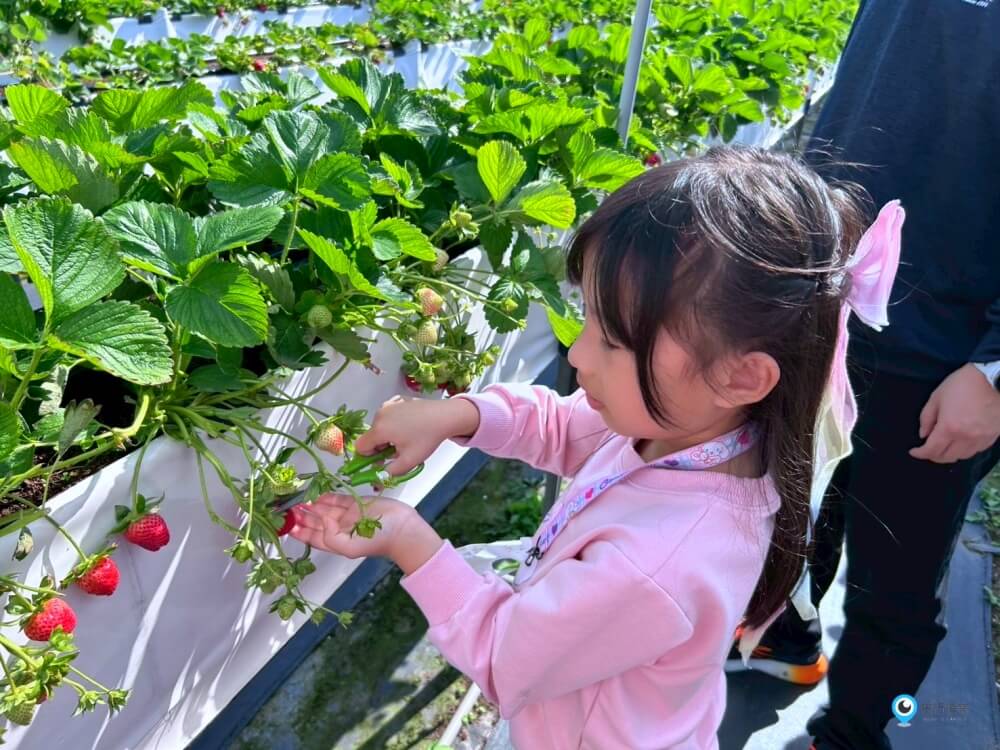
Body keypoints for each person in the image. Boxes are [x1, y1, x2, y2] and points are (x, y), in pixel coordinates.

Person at [288, 147, 900, 749]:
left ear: (740, 376)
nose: (578, 354)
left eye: (612, 341)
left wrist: (407, 539)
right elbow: (561, 426)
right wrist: (458, 414)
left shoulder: (659, 564)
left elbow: (505, 655)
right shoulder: (701, 428)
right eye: (588, 320)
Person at [723, 1, 1000, 748]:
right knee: (802, 504)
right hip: (833, 298)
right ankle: (783, 637)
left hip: (945, 352)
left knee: (894, 580)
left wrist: (994, 368)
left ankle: (851, 735)